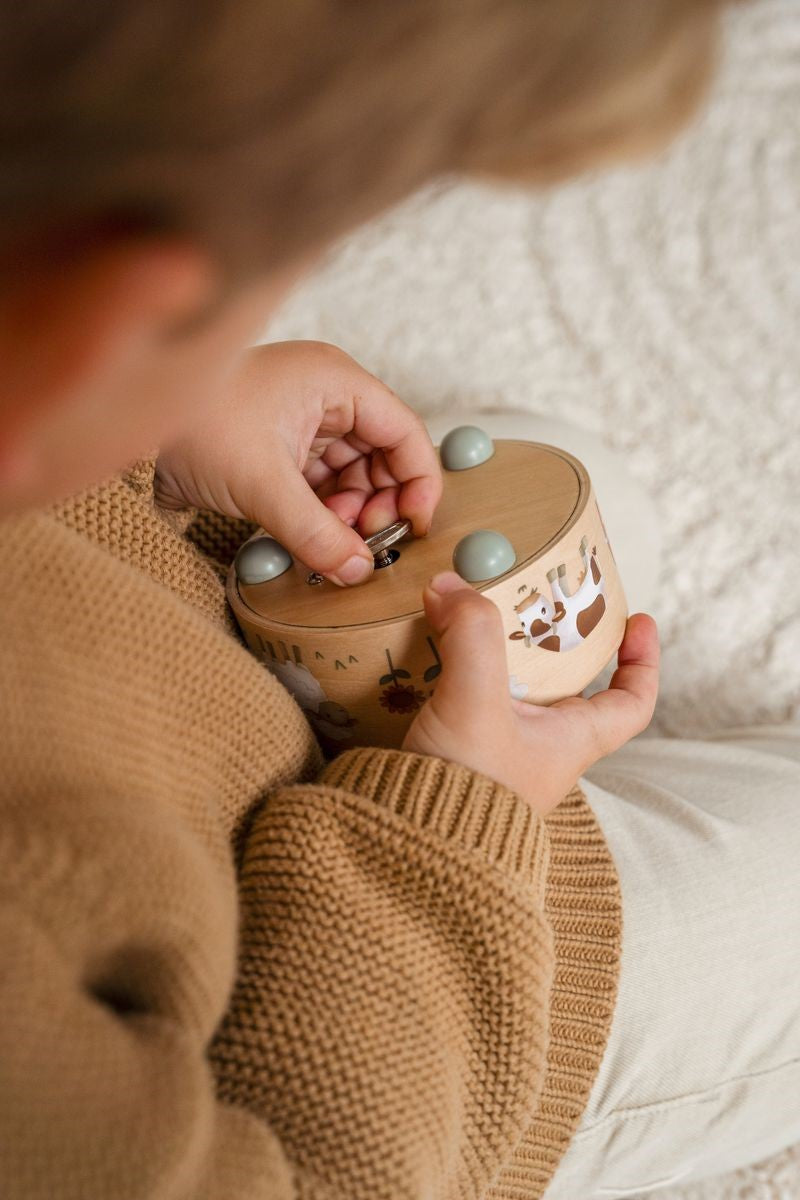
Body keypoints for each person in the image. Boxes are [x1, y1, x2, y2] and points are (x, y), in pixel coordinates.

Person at [2, 2, 798, 1198]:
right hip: (370, 1016)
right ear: (99, 319)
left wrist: (154, 433)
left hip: (220, 704)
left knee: (588, 483)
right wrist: (451, 822)